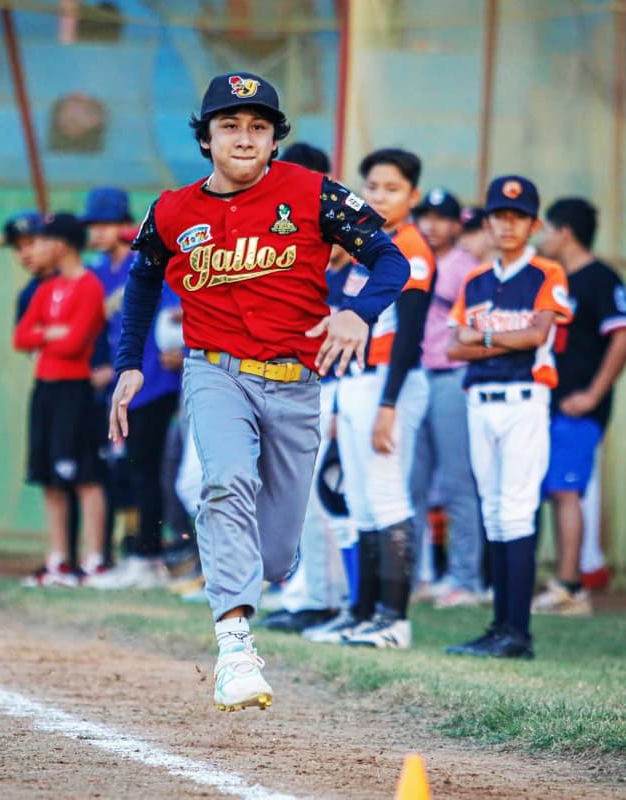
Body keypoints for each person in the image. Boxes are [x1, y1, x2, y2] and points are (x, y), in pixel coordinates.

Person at [108, 71, 409, 712]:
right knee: (225, 483)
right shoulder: (172, 210)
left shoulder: (314, 194)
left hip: (297, 384)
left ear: (275, 139)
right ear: (206, 138)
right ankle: (235, 650)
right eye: (230, 126)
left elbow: (392, 259)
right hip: (215, 371)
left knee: (273, 555)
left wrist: (358, 311)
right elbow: (141, 280)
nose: (245, 138)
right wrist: (129, 361)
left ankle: (259, 574)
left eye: (258, 127)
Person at [443, 176, 572, 659]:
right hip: (480, 400)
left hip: (523, 399)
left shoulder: (547, 273)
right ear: (488, 223)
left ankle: (518, 633)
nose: (508, 224)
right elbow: (452, 347)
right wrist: (499, 341)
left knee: (516, 510)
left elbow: (536, 337)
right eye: (499, 216)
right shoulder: (475, 279)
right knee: (494, 513)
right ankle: (499, 628)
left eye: (518, 217)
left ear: (534, 225)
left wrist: (484, 338)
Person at [310, 148, 433, 650]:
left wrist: (388, 405)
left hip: (390, 382)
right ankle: (362, 614)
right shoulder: (368, 243)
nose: (380, 197)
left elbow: (410, 336)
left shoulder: (411, 248)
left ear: (413, 195)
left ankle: (394, 620)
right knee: (360, 503)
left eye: (393, 188)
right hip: (357, 381)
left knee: (387, 498)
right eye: (373, 187)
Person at [257, 141, 353, 634]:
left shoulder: (352, 256)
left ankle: (327, 599)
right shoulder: (287, 246)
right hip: (296, 385)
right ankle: (307, 594)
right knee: (298, 498)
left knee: (323, 500)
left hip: (338, 389)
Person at [533, 197, 626, 615]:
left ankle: (570, 587)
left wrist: (593, 394)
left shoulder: (601, 279)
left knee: (565, 490)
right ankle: (544, 581)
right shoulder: (551, 278)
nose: (541, 238)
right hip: (542, 404)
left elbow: (624, 335)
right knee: (545, 491)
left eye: (546, 229)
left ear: (566, 233)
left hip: (576, 408)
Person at [83, 187, 182, 590]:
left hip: (155, 383)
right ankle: (133, 554)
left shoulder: (146, 261)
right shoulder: (99, 273)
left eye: (107, 223)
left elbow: (175, 314)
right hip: (121, 387)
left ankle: (150, 556)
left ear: (127, 225)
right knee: (123, 472)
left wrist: (181, 347)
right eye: (94, 224)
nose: (98, 231)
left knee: (147, 470)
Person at [14, 213, 109, 587]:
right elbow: (21, 337)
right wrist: (52, 332)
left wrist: (46, 333)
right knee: (49, 479)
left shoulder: (89, 286)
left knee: (84, 475)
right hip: (45, 389)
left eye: (44, 240)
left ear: (62, 244)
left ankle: (94, 560)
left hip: (74, 390)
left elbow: (74, 343)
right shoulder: (46, 288)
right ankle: (59, 560)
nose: (37, 248)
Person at [409, 189, 490, 610]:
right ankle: (416, 577)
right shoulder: (407, 256)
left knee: (459, 482)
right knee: (412, 483)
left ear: (458, 224)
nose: (432, 224)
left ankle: (465, 578)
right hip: (412, 374)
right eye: (425, 215)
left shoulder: (468, 266)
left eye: (441, 217)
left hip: (452, 375)